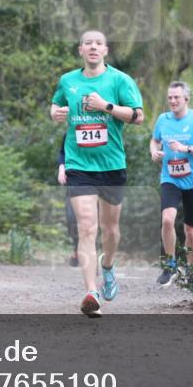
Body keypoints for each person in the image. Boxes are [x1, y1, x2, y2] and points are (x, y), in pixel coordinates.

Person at [50, 30, 143, 317]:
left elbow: (138, 117)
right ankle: (91, 292)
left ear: (105, 50)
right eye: (87, 43)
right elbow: (55, 104)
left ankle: (108, 265)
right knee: (87, 227)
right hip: (79, 166)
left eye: (98, 43)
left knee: (110, 229)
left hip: (112, 166)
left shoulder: (119, 80)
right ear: (81, 50)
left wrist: (106, 107)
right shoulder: (68, 80)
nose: (93, 47)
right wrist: (54, 112)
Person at [149, 81, 193, 286]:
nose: (172, 101)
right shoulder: (163, 119)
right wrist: (154, 151)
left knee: (190, 229)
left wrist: (186, 148)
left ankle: (191, 268)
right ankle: (169, 266)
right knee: (167, 220)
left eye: (176, 97)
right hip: (170, 179)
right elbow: (154, 140)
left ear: (186, 99)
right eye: (170, 97)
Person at [56, 136, 80, 267]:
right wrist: (61, 168)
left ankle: (93, 256)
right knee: (72, 218)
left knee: (92, 221)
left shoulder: (105, 122)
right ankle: (77, 249)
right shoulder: (73, 125)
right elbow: (63, 152)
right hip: (75, 177)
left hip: (99, 179)